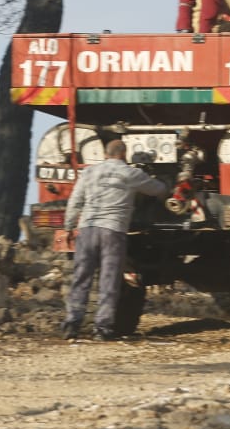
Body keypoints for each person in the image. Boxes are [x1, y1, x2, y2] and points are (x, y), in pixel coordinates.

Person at [61, 139, 169, 341]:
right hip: (112, 231)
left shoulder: (89, 172)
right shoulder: (130, 173)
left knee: (81, 278)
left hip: (87, 229)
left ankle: (71, 324)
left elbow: (75, 200)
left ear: (105, 154)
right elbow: (158, 189)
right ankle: (102, 328)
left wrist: (68, 227)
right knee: (109, 280)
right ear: (124, 154)